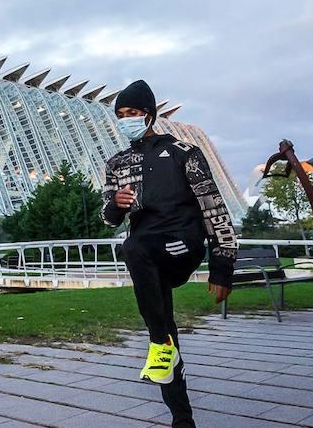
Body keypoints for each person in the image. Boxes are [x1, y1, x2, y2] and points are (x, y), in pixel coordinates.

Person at [101, 79, 238, 428]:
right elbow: (108, 216)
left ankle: (158, 343)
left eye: (133, 112)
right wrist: (116, 207)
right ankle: (182, 416)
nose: (126, 119)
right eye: (120, 114)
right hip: (147, 253)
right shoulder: (118, 163)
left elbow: (213, 208)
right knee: (162, 325)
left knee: (133, 248)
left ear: (150, 114)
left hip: (182, 243)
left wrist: (222, 266)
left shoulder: (184, 152)